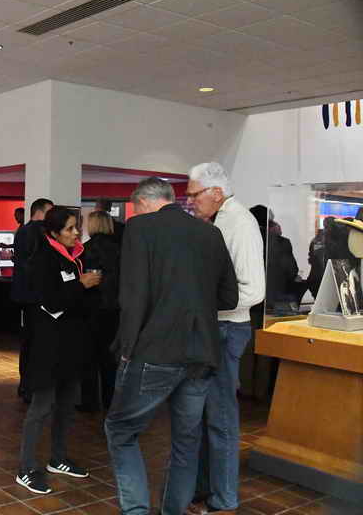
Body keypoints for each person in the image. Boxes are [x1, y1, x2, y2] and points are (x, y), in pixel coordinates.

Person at [104, 177, 238, 515]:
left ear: (144, 203)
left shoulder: (140, 228)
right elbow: (229, 296)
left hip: (155, 350)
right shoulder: (210, 232)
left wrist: (126, 349)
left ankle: (136, 511)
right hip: (201, 353)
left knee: (120, 430)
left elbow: (133, 296)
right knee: (186, 442)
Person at [186, 162, 266, 515]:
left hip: (227, 328)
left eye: (194, 194)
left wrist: (203, 302)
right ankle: (207, 490)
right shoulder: (220, 221)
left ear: (216, 193)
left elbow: (253, 290)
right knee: (207, 418)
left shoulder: (240, 223)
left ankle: (224, 500)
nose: (191, 201)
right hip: (215, 327)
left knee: (220, 420)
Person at [16, 206, 101, 495]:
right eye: (69, 229)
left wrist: (87, 288)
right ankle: (26, 468)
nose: (76, 233)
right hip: (49, 345)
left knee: (67, 403)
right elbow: (52, 301)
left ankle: (58, 458)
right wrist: (81, 285)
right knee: (42, 406)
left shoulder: (76, 257)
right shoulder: (42, 259)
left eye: (77, 227)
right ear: (53, 233)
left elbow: (79, 302)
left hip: (73, 343)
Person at [11, 198, 54, 402]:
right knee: (34, 340)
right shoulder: (36, 232)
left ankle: (27, 384)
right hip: (35, 295)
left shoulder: (24, 231)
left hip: (28, 295)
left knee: (30, 340)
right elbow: (33, 265)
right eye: (50, 211)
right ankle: (30, 385)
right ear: (40, 211)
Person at [81, 210, 121, 412]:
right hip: (114, 309)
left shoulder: (85, 249)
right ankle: (110, 400)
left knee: (89, 356)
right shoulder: (120, 249)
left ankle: (88, 401)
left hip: (91, 308)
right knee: (110, 358)